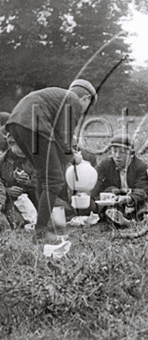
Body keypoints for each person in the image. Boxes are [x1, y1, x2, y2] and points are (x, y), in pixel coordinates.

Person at [5, 79, 97, 242]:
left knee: (43, 175)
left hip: (16, 122)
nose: (84, 112)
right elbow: (64, 139)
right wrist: (74, 157)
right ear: (86, 98)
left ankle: (42, 228)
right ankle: (41, 232)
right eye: (88, 106)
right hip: (33, 124)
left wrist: (67, 156)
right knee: (54, 179)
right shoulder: (73, 100)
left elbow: (58, 143)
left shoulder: (58, 97)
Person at [91, 134, 148, 228]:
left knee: (147, 198)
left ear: (131, 154)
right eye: (114, 151)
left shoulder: (140, 166)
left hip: (133, 199)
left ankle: (143, 218)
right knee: (111, 192)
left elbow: (143, 189)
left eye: (122, 153)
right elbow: (94, 180)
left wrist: (129, 198)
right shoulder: (106, 164)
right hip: (116, 199)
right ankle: (120, 219)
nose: (117, 156)